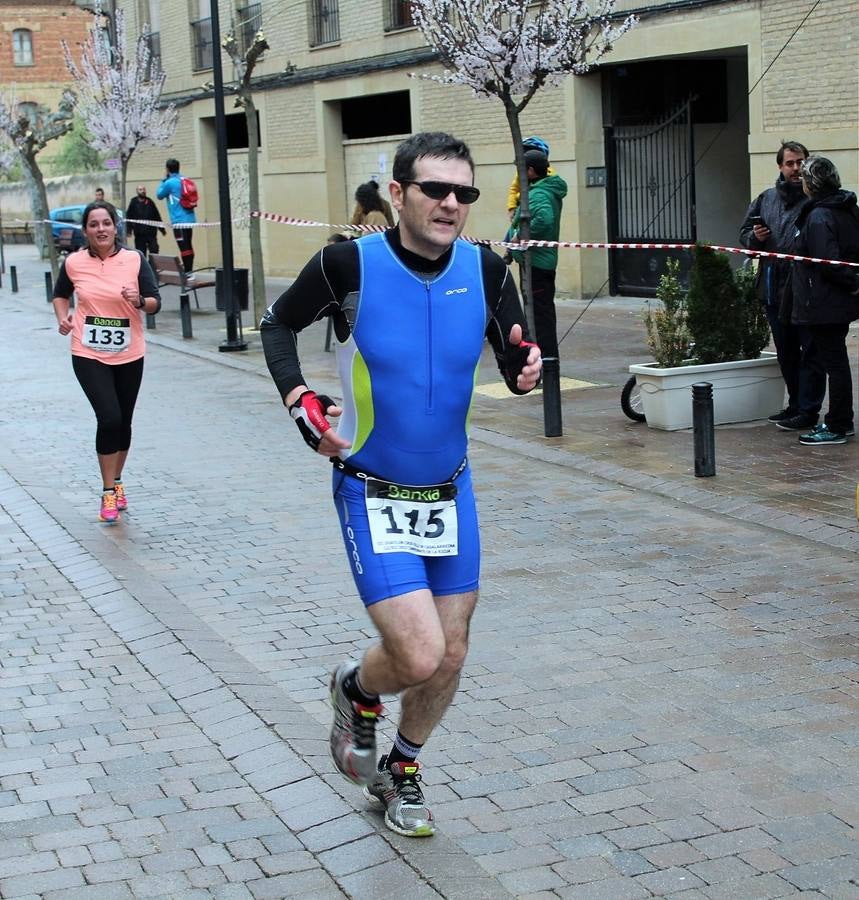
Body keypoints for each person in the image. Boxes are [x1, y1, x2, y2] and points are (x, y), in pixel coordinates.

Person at [260, 131, 541, 838]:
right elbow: (276, 325)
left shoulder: (484, 268)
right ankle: (355, 689)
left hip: (448, 489)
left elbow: (512, 356)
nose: (451, 204)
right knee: (415, 654)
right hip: (369, 485)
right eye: (435, 190)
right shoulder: (347, 264)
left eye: (463, 193)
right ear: (397, 194)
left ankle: (402, 770)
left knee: (451, 651)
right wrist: (301, 402)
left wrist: (524, 365)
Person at [52, 201, 162, 522]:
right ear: (85, 230)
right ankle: (107, 492)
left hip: (130, 353)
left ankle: (116, 480)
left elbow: (155, 303)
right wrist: (63, 317)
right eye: (93, 224)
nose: (101, 229)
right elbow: (60, 294)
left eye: (106, 223)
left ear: (116, 227)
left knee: (124, 421)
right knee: (109, 417)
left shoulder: (134, 259)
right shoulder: (73, 263)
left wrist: (139, 300)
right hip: (88, 352)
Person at [739, 141, 825, 430]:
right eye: (790, 163)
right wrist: (756, 238)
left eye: (801, 162)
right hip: (773, 288)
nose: (796, 169)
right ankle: (795, 405)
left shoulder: (817, 199)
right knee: (786, 351)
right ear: (780, 166)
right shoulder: (766, 198)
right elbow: (745, 237)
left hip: (806, 290)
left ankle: (809, 410)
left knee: (811, 353)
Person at [789, 156, 859, 445]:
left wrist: (851, 282)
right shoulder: (848, 207)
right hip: (838, 300)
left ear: (811, 183)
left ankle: (838, 424)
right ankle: (842, 419)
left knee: (834, 363)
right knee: (834, 360)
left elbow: (827, 261)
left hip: (824, 302)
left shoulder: (820, 215)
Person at [510, 148, 568, 360]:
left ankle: (546, 363)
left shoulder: (539, 193)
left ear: (531, 171)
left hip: (537, 263)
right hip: (539, 262)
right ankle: (544, 361)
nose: (518, 175)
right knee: (539, 314)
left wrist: (518, 237)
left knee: (540, 316)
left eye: (521, 170)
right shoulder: (543, 190)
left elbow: (544, 220)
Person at [156, 157, 196, 275]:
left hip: (178, 220)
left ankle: (188, 272)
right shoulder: (185, 179)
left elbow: (159, 195)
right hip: (189, 218)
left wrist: (163, 180)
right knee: (188, 244)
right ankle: (190, 270)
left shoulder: (169, 183)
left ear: (168, 169)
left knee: (183, 246)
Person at [125, 184, 167, 258]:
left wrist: (162, 229)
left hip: (151, 233)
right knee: (141, 254)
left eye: (144, 189)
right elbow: (129, 216)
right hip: (139, 233)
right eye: (140, 190)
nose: (143, 191)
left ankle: (152, 268)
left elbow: (157, 216)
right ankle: (144, 268)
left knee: (154, 251)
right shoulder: (133, 202)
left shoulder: (150, 202)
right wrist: (129, 230)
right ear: (137, 192)